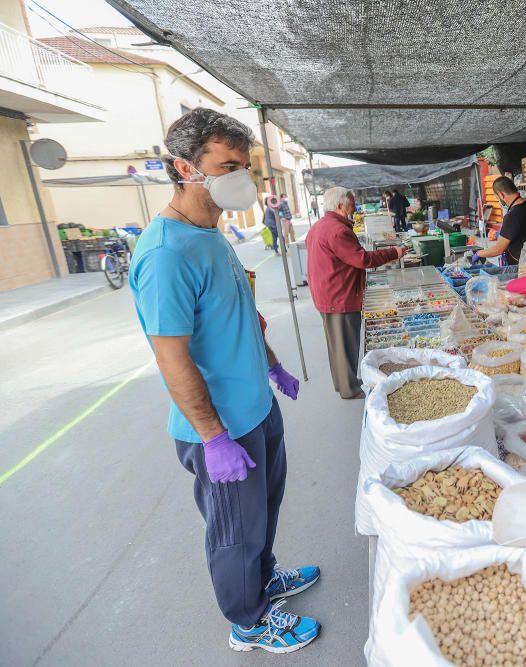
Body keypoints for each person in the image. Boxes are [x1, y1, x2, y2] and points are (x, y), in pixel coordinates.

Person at [128, 108, 321, 653]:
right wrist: (213, 436)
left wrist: (271, 362)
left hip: (255, 408)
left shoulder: (213, 235)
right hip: (220, 428)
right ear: (184, 168)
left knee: (263, 512)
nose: (244, 177)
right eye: (228, 165)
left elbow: (240, 316)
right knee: (235, 532)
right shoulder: (166, 254)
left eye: (247, 165)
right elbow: (172, 358)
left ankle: (263, 582)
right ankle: (247, 619)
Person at [307, 186, 405, 399]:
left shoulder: (321, 225)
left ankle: (344, 381)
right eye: (352, 203)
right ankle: (349, 389)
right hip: (338, 294)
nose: (355, 207)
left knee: (337, 344)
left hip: (328, 292)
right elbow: (362, 259)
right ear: (341, 205)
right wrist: (393, 253)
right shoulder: (338, 230)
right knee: (345, 344)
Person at [472, 176, 526, 265]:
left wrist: (479, 254)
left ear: (501, 195)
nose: (499, 200)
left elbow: (499, 249)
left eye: (497, 197)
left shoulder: (511, 216)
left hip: (521, 266)